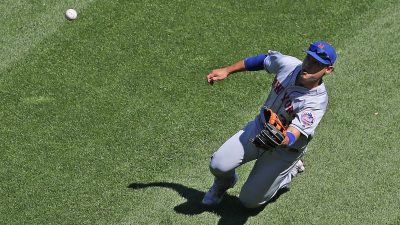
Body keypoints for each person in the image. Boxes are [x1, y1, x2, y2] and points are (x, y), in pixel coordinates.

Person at [202, 40, 337, 209]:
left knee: (249, 202)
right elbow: (262, 60)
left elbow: (293, 135)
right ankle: (225, 183)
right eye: (309, 59)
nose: (309, 65)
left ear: (328, 70)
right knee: (218, 165)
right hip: (260, 128)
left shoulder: (316, 102)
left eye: (316, 64)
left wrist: (281, 138)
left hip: (285, 150)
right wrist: (227, 70)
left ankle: (290, 171)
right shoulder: (289, 65)